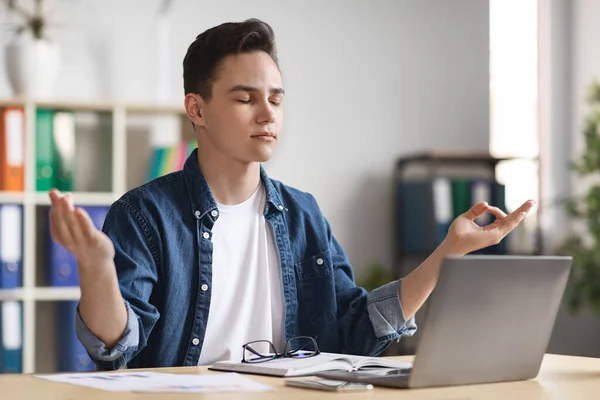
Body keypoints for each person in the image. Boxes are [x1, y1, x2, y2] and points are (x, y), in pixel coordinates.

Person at [48, 18, 534, 370]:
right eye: (245, 98)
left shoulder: (301, 213)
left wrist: (449, 251)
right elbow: (115, 347)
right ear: (196, 107)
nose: (267, 114)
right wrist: (97, 270)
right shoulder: (144, 215)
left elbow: (355, 331)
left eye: (276, 99)